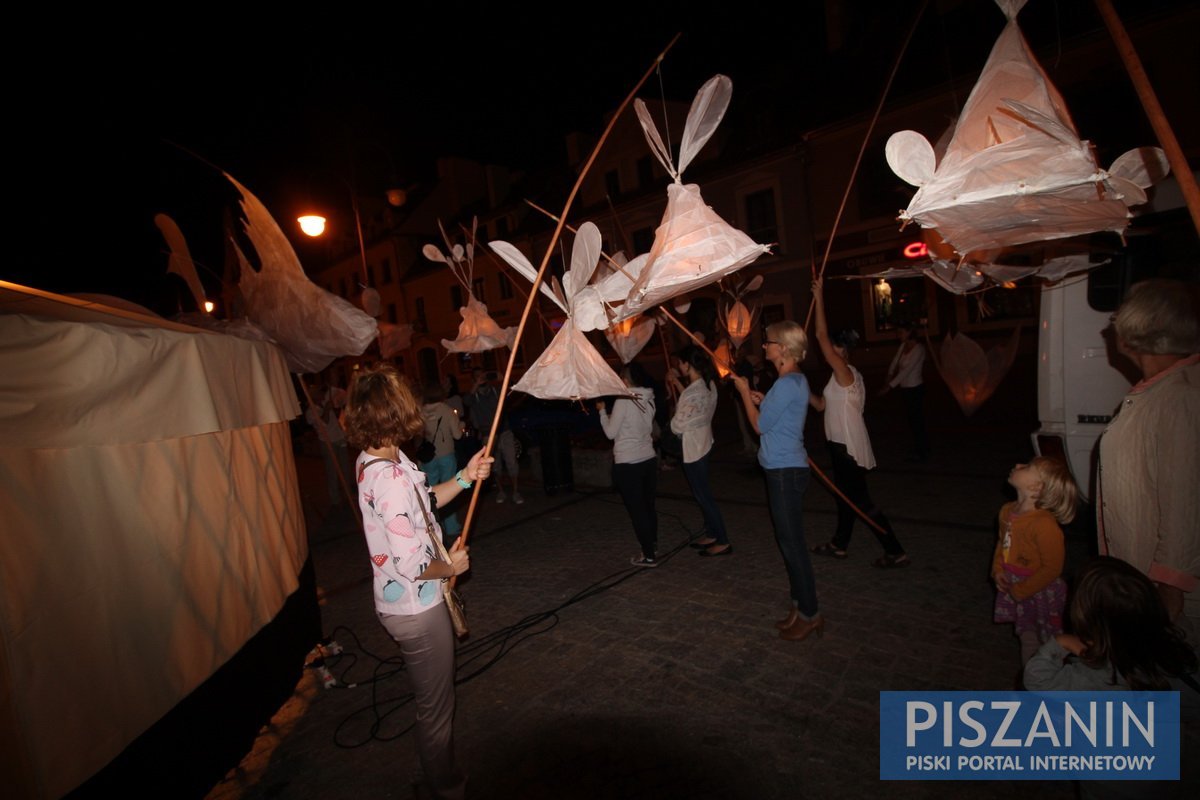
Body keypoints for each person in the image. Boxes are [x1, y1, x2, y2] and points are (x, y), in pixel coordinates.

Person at [341, 364, 492, 800]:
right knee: (435, 710)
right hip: (416, 607)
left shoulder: (381, 459)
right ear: (396, 411)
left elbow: (424, 503)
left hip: (407, 603)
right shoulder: (387, 478)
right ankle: (445, 787)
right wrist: (452, 567)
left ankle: (439, 778)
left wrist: (465, 476)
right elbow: (411, 562)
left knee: (433, 703)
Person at [1024, 557, 1199, 800]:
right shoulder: (1175, 651)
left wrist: (1061, 642)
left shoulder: (1093, 675)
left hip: (1108, 783)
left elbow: (1036, 678)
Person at [1097, 279, 1199, 648]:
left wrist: (1171, 583)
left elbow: (1185, 497)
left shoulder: (1181, 396)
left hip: (1166, 592)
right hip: (1142, 575)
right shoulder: (1160, 389)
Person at [732, 321, 824, 642]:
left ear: (783, 348)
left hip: (785, 472)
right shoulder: (791, 381)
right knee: (788, 543)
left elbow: (759, 427)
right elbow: (775, 416)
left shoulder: (787, 383)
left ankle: (810, 613)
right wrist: (761, 398)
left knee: (793, 546)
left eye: (768, 342)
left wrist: (744, 394)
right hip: (784, 469)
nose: (764, 347)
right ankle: (799, 607)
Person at [809, 277, 910, 568]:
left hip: (848, 448)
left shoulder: (846, 372)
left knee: (861, 502)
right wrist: (802, 390)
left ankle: (895, 550)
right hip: (838, 445)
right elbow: (822, 406)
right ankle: (839, 544)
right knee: (845, 498)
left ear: (841, 350)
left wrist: (819, 298)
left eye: (833, 348)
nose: (829, 351)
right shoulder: (839, 378)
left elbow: (819, 335)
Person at [991, 456, 1079, 664]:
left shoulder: (1044, 524)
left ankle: (1047, 679)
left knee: (1048, 639)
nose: (1018, 465)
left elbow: (1052, 568)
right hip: (1015, 583)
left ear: (1037, 487)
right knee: (1027, 636)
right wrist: (997, 570)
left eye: (1027, 467)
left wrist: (1021, 590)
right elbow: (1002, 544)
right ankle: (1034, 680)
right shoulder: (1006, 510)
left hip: (1039, 589)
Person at [667, 344, 731, 557]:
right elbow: (692, 403)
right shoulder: (708, 384)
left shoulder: (694, 392)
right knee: (701, 493)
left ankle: (722, 539)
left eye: (680, 363)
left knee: (704, 496)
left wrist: (676, 418)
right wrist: (676, 383)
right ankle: (712, 533)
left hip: (693, 449)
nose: (679, 367)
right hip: (704, 443)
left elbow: (678, 423)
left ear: (687, 365)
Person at [596, 362, 659, 568]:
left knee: (637, 510)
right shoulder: (649, 398)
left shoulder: (623, 400)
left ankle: (648, 555)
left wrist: (602, 412)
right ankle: (653, 545)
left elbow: (610, 433)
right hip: (648, 459)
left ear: (624, 380)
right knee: (648, 506)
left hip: (628, 462)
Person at [465, 368, 523, 504]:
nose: (481, 378)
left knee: (511, 462)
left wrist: (501, 378)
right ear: (474, 379)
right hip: (488, 435)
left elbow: (511, 389)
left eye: (483, 375)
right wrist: (476, 385)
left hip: (504, 431)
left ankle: (515, 491)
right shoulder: (474, 396)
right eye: (478, 376)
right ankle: (501, 491)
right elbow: (467, 401)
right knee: (494, 465)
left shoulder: (495, 391)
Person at [420, 380, 466, 545]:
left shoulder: (419, 411)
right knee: (449, 488)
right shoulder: (446, 411)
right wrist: (461, 424)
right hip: (446, 454)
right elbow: (457, 435)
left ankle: (431, 525)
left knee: (429, 493)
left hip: (427, 456)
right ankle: (452, 526)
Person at [879, 322, 928, 461]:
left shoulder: (919, 349)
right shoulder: (903, 347)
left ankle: (923, 450)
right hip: (905, 389)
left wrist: (889, 386)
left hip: (915, 388)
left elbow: (906, 371)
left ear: (909, 332)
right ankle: (919, 447)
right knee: (912, 420)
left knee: (918, 420)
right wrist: (888, 376)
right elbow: (895, 363)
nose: (898, 335)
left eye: (901, 332)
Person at [305, 372, 353, 508]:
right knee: (332, 471)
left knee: (345, 468)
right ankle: (335, 499)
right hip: (327, 443)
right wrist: (327, 409)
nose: (322, 395)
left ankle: (348, 494)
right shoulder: (311, 411)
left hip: (339, 438)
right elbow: (323, 422)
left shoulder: (326, 402)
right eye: (319, 393)